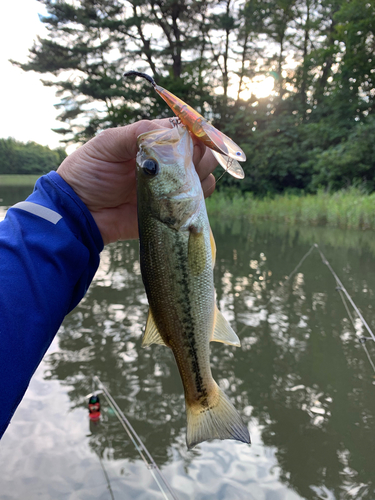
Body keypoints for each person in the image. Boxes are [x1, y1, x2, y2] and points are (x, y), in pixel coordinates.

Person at [0, 119, 217, 438]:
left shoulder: (175, 215)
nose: (151, 162)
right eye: (151, 169)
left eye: (149, 168)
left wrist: (74, 207)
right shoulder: (180, 216)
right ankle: (202, 397)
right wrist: (71, 207)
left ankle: (202, 397)